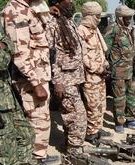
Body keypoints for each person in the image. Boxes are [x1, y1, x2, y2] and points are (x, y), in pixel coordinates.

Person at [2, 0, 58, 165]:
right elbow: (19, 53)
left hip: (40, 75)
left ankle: (39, 155)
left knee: (42, 118)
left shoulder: (30, 8)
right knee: (37, 120)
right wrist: (36, 83)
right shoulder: (15, 11)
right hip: (30, 79)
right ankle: (35, 163)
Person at [46, 0, 87, 155]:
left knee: (72, 115)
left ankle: (69, 144)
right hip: (64, 78)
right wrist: (57, 81)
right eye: (67, 0)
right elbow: (51, 54)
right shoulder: (52, 23)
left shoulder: (66, 20)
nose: (72, 2)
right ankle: (75, 151)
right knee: (78, 116)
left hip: (74, 76)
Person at [0, 20, 37, 165]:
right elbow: (0, 61)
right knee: (5, 153)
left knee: (26, 134)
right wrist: (6, 43)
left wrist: (4, 43)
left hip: (6, 97)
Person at [104, 5, 135, 133]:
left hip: (129, 70)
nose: (129, 19)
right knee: (120, 98)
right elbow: (106, 50)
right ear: (120, 18)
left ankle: (131, 119)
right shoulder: (113, 29)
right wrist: (108, 67)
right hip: (118, 71)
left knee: (132, 96)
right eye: (127, 17)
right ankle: (119, 122)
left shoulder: (127, 29)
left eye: (130, 17)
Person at [78, 1, 111, 144]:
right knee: (92, 105)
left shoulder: (94, 30)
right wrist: (99, 69)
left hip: (100, 75)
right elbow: (83, 57)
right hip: (90, 77)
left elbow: (99, 52)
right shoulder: (81, 31)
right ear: (89, 16)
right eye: (97, 16)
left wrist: (105, 66)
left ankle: (97, 128)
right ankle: (91, 133)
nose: (99, 19)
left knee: (101, 104)